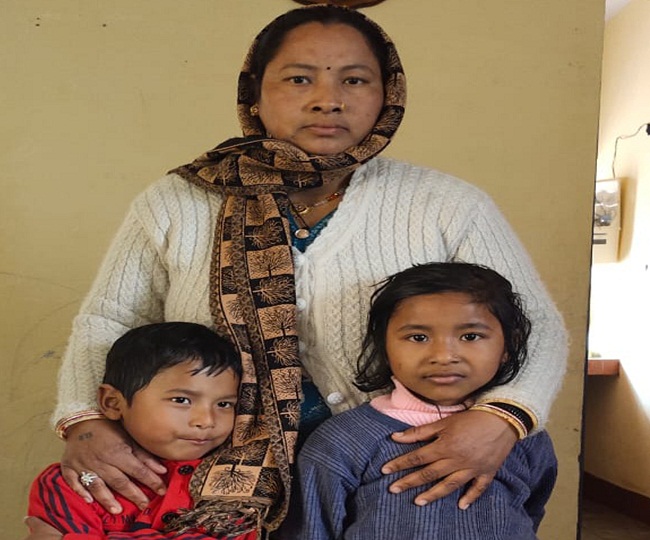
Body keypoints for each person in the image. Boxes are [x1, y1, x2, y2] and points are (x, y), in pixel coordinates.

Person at [31, 4, 568, 538]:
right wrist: (84, 420)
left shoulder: (446, 204)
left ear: (387, 95)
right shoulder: (178, 201)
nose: (328, 99)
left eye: (354, 79)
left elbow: (534, 323)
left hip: (396, 463)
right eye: (298, 78)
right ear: (255, 94)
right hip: (212, 471)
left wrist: (502, 418)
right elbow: (109, 319)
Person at [276, 263, 557, 540]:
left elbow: (531, 508)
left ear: (509, 345)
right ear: (384, 346)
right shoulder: (342, 440)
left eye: (470, 336)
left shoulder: (520, 435)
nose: (443, 356)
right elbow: (312, 529)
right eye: (418, 337)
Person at [26, 322, 257, 539]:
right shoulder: (72, 482)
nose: (206, 421)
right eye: (181, 400)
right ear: (112, 403)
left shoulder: (244, 479)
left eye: (224, 404)